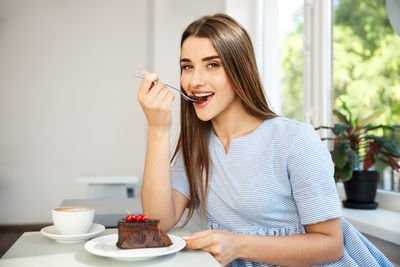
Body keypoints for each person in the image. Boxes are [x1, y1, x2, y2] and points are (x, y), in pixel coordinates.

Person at [137, 13, 393, 267]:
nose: (194, 81)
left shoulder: (295, 140)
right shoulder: (197, 148)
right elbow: (158, 221)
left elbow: (331, 246)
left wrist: (237, 244)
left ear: (240, 70)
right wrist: (158, 129)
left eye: (212, 64)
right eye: (187, 66)